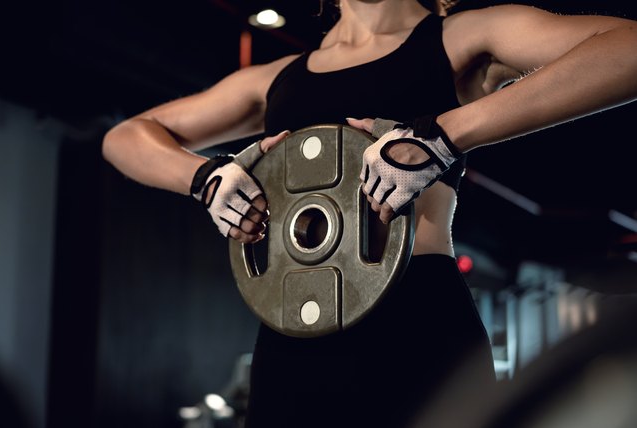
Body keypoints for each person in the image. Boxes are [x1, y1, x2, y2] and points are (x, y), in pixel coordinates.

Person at [102, 1, 637, 426]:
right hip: (295, 331)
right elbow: (126, 137)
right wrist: (205, 178)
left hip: (418, 319)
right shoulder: (276, 78)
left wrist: (443, 136)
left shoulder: (464, 37)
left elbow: (628, 49)